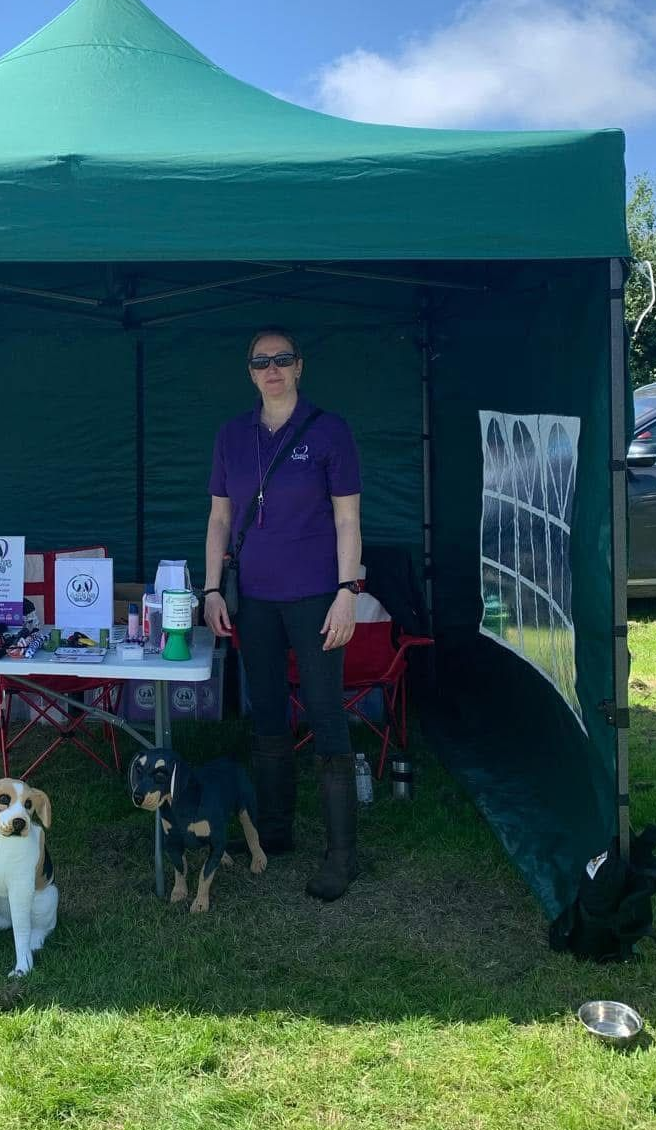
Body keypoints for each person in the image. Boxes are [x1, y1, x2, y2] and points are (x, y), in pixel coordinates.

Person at [203, 325, 363, 901]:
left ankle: (342, 855)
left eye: (283, 359)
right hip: (255, 600)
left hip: (318, 596)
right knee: (267, 713)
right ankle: (274, 831)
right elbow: (219, 520)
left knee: (325, 714)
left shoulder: (329, 431)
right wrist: (211, 589)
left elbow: (348, 519)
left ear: (300, 367)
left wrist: (349, 589)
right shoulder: (230, 435)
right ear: (249, 372)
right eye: (260, 361)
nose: (272, 369)